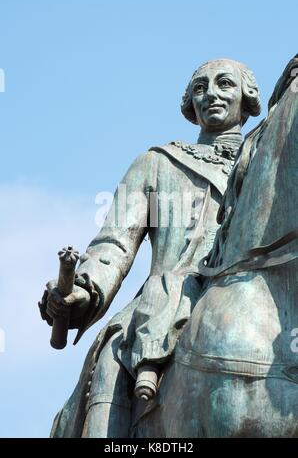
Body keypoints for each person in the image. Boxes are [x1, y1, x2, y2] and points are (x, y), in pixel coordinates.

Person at [39, 58, 261, 437]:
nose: (211, 94)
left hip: (258, 301)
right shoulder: (158, 164)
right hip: (164, 304)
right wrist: (82, 288)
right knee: (111, 358)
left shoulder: (267, 161)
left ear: (246, 96)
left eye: (224, 83)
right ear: (189, 103)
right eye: (200, 88)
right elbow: (114, 244)